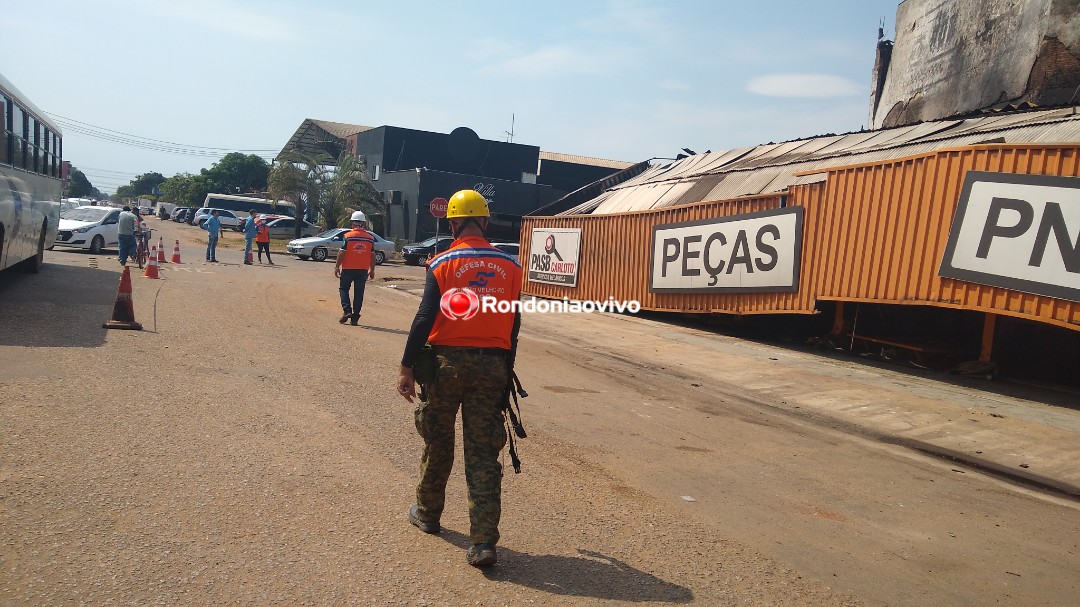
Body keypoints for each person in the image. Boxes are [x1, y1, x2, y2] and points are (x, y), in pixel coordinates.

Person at [396, 189, 523, 567]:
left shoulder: (441, 263)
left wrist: (406, 366)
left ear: (452, 224)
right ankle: (483, 542)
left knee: (438, 441)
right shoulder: (511, 267)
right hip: (492, 367)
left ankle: (428, 513)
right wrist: (505, 369)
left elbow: (424, 318)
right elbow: (514, 324)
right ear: (484, 221)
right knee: (484, 454)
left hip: (445, 367)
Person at [333, 211, 376, 325]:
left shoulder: (348, 237)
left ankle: (347, 311)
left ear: (353, 224)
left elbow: (342, 252)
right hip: (362, 270)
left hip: (348, 269)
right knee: (359, 293)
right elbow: (372, 255)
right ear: (364, 224)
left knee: (343, 289)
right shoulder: (370, 238)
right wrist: (372, 269)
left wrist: (337, 266)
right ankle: (355, 317)